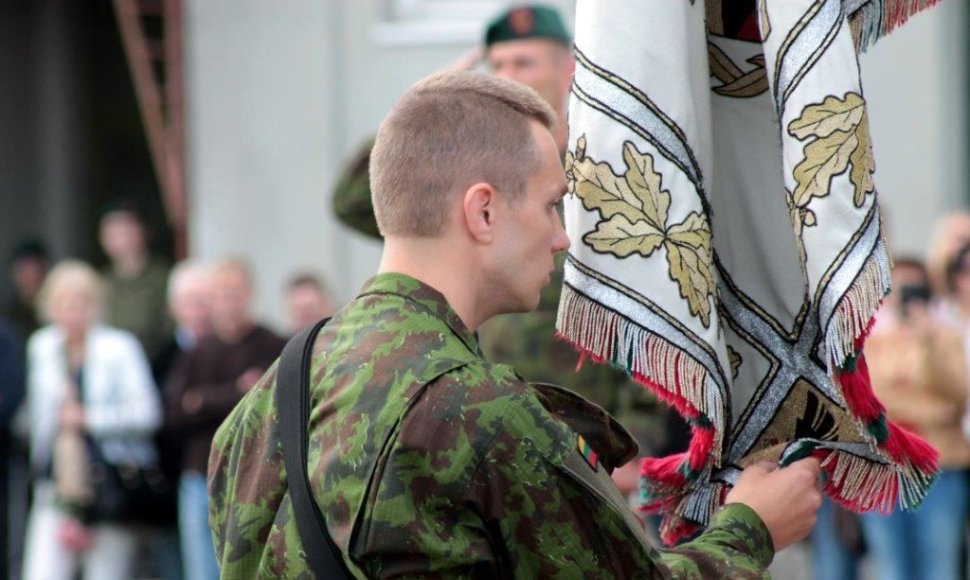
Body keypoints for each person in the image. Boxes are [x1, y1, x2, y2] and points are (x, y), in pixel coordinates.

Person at [209, 71, 822, 578]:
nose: (561, 238)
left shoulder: (267, 401)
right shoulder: (477, 410)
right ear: (482, 211)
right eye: (551, 204)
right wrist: (752, 529)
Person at [332, 4, 683, 494]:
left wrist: (636, 442)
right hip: (478, 426)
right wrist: (425, 107)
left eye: (524, 63)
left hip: (582, 440)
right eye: (497, 66)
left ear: (569, 70)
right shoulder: (468, 179)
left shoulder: (608, 179)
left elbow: (646, 314)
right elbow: (355, 202)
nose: (508, 76)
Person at [22, 260, 162, 580]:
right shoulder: (42, 346)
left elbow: (147, 413)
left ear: (95, 305)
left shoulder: (119, 346)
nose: (72, 312)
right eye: (62, 303)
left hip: (109, 478)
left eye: (80, 302)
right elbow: (37, 419)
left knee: (106, 572)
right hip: (57, 480)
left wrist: (89, 418)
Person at [165, 258, 285, 580]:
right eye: (222, 294)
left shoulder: (272, 345)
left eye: (236, 293)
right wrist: (235, 391)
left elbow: (269, 406)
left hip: (252, 475)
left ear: (250, 294)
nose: (229, 302)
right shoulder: (197, 350)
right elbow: (175, 411)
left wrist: (202, 400)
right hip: (199, 476)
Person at [860, 257, 970, 580]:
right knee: (892, 569)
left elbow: (959, 394)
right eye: (899, 285)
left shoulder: (943, 337)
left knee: (941, 569)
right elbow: (872, 400)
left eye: (914, 284)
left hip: (939, 466)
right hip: (886, 468)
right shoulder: (872, 340)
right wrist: (934, 410)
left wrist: (928, 341)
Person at [99, 200, 173, 362]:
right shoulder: (101, 283)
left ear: (144, 232)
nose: (120, 240)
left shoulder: (162, 278)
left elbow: (169, 329)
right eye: (112, 233)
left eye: (126, 231)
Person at [4, 238, 49, 342]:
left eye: (33, 271)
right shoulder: (7, 312)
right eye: (22, 271)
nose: (27, 278)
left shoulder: (56, 310)